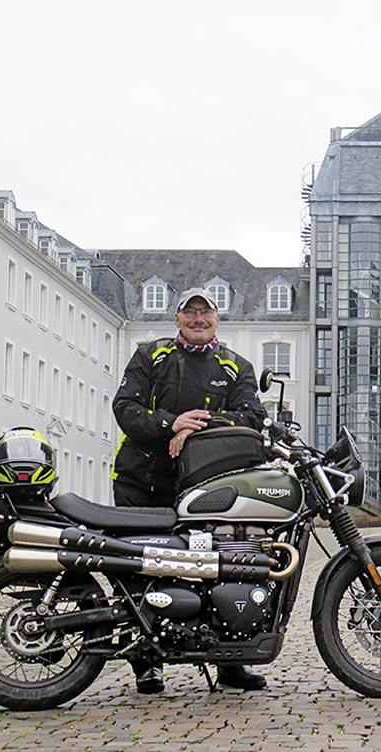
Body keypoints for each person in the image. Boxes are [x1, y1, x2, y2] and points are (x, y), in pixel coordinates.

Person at [111, 287, 269, 694]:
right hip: (141, 482)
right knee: (138, 572)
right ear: (177, 319)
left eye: (206, 312)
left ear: (218, 319)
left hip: (208, 489)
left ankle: (230, 662)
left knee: (220, 569)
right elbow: (125, 407)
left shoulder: (236, 366)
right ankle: (146, 663)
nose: (198, 319)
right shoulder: (151, 355)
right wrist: (169, 424)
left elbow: (251, 416)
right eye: (190, 312)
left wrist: (195, 425)